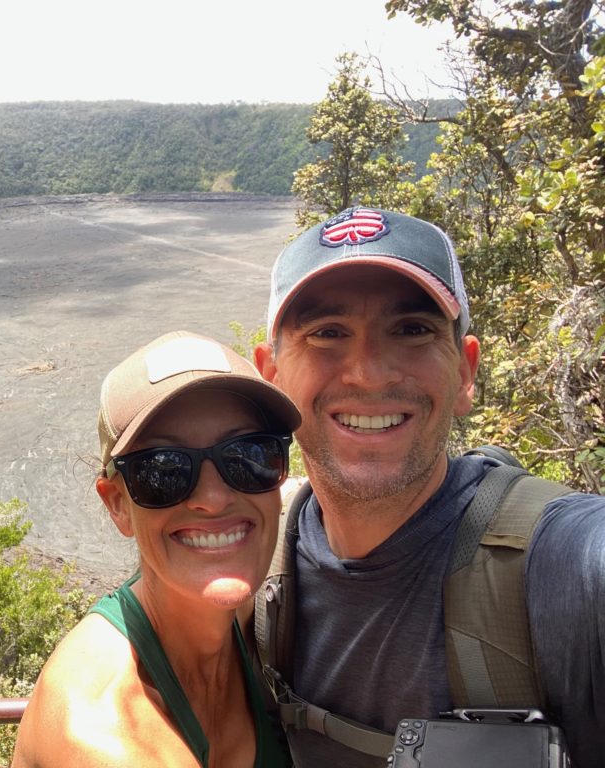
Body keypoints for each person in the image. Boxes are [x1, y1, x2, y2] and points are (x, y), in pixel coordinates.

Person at [252, 206, 605, 767]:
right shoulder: (254, 563)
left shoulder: (559, 561)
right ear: (271, 377)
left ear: (465, 371)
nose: (368, 373)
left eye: (412, 330)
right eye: (326, 333)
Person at [12, 330, 299, 768]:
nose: (213, 498)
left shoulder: (240, 622)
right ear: (117, 505)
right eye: (163, 470)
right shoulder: (103, 733)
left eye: (248, 455)